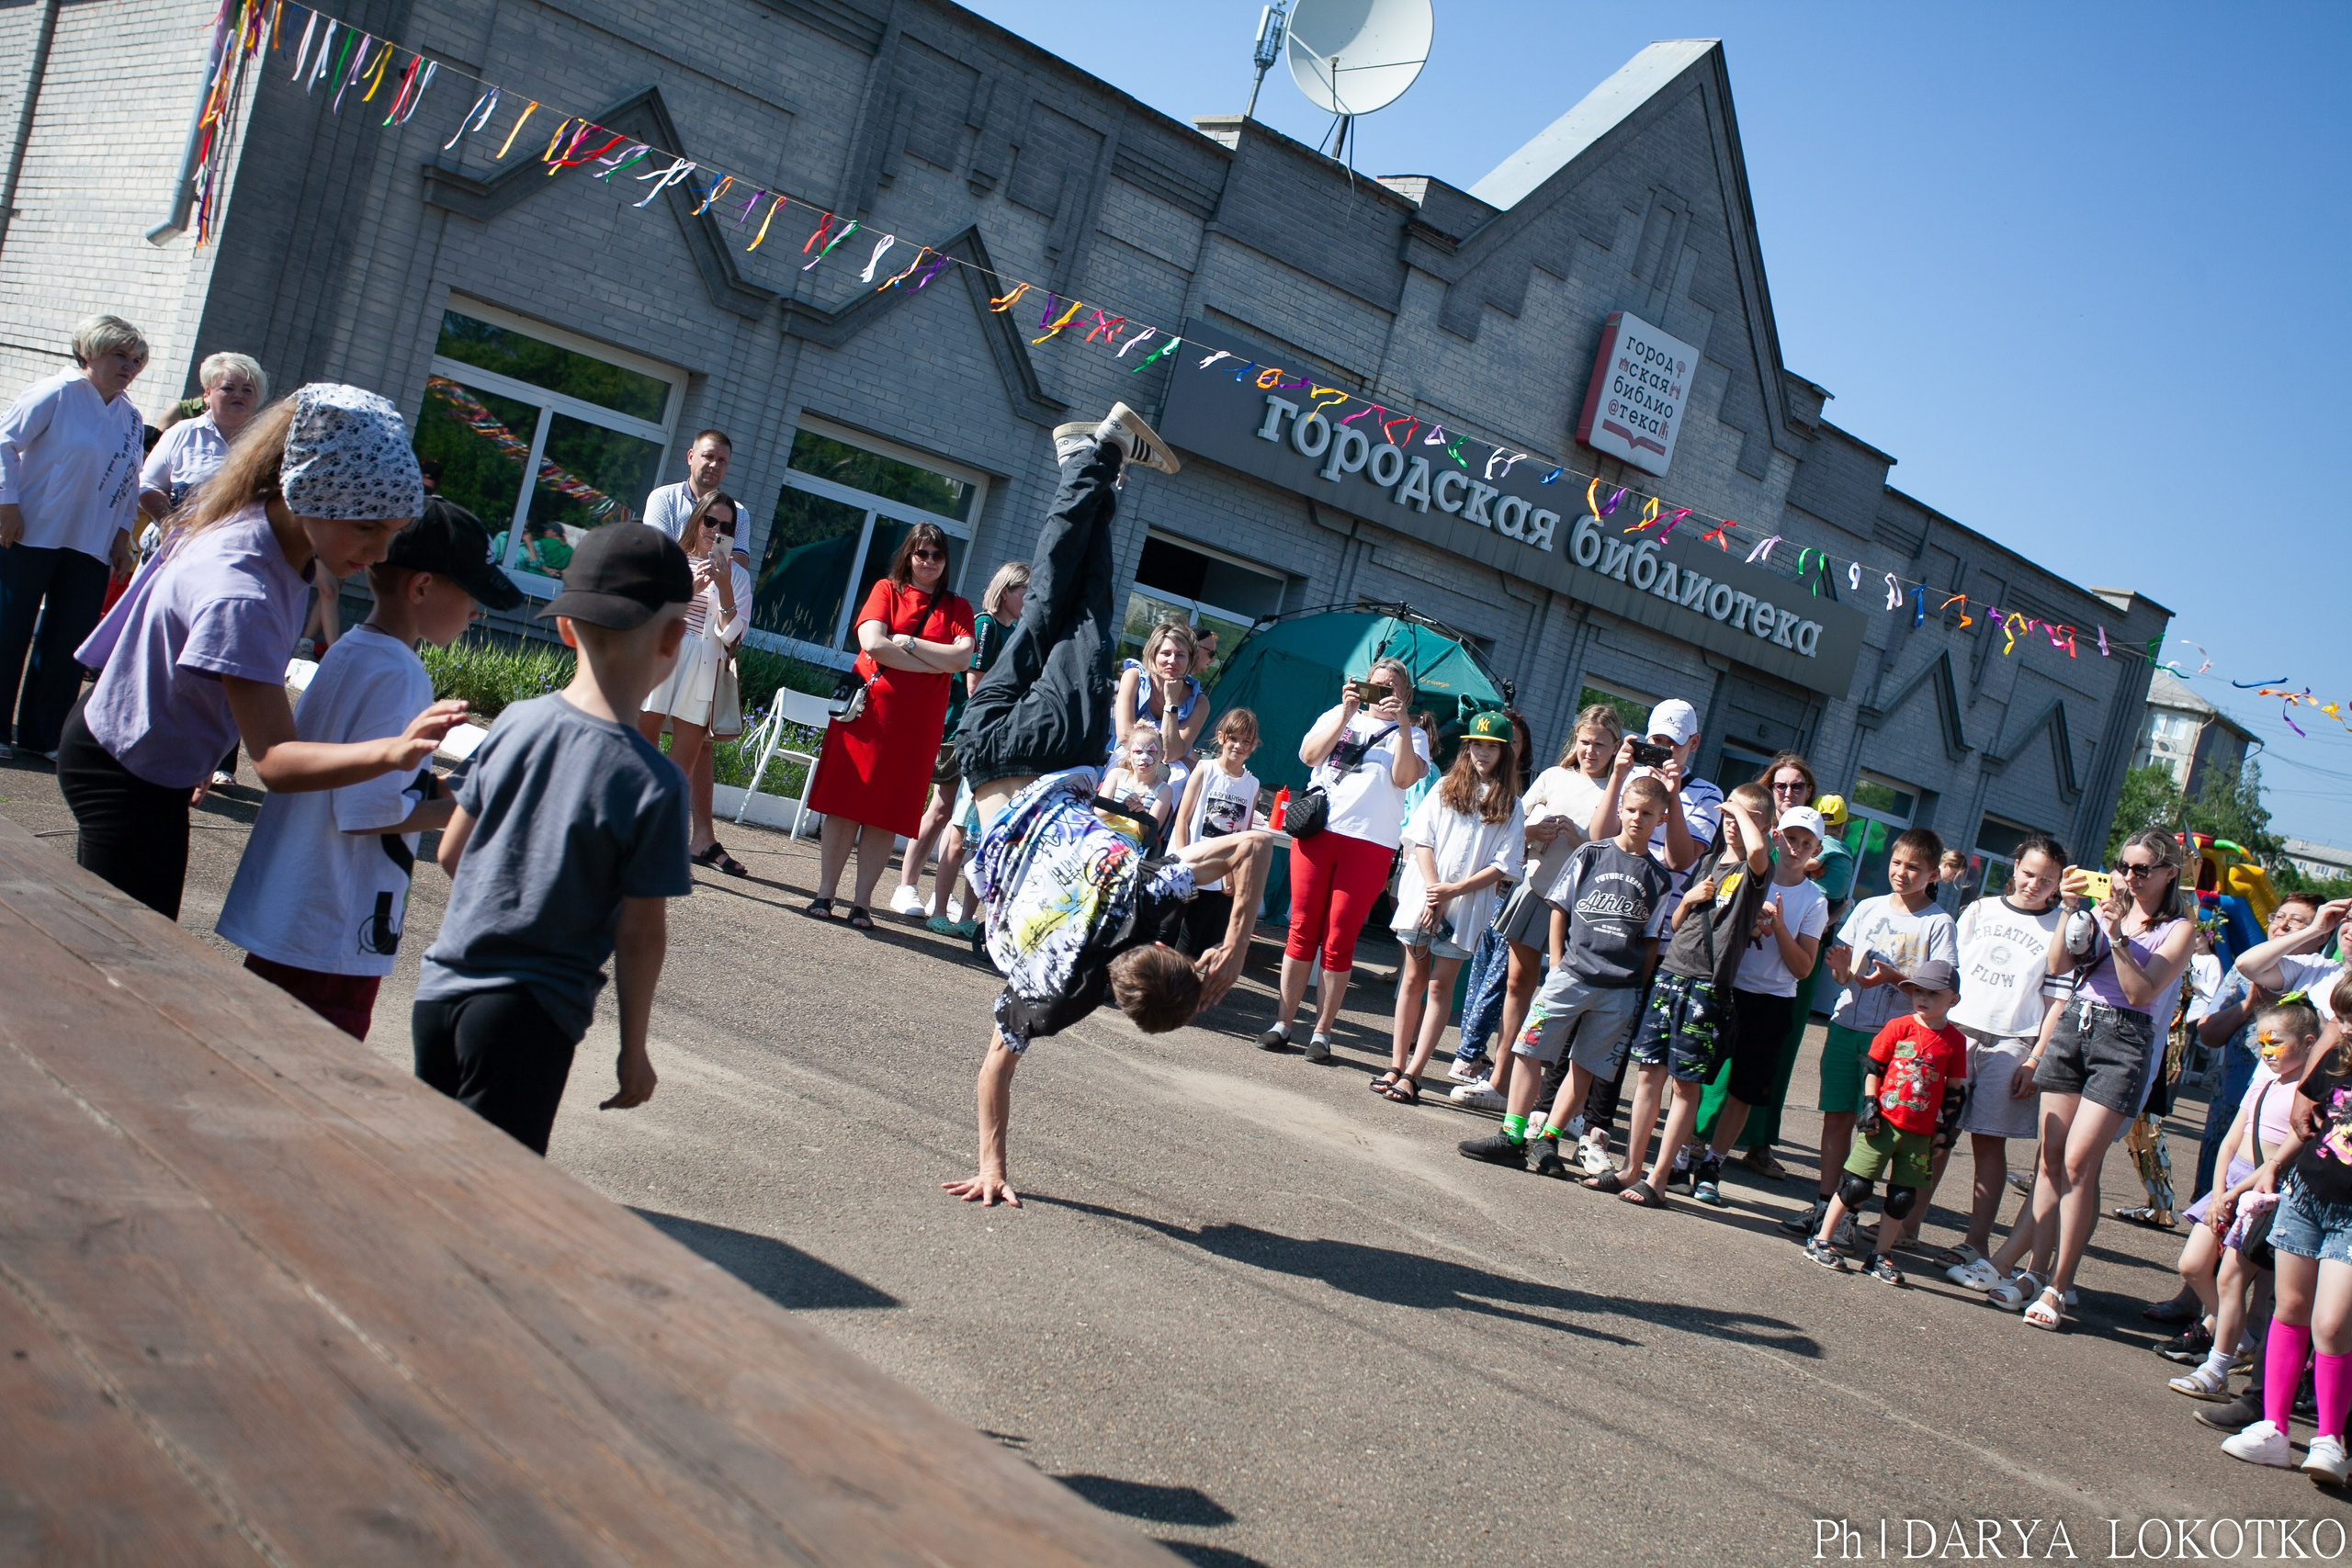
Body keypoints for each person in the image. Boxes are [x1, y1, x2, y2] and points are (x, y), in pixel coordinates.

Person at [942, 405, 1272, 1209]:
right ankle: (1090, 463)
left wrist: (1230, 948)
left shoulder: (1145, 889)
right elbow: (995, 1065)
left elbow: (1252, 847)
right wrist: (993, 1166)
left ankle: (1094, 463)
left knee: (1080, 612)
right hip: (983, 753)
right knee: (1054, 607)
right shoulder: (1056, 989)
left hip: (1051, 754)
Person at [59, 385, 464, 920]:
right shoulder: (243, 590)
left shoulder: (267, 529)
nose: (380, 553)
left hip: (142, 750)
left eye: (392, 532)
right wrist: (396, 751)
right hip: (126, 767)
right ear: (311, 494)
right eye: (367, 527)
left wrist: (201, 747)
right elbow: (275, 762)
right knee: (124, 949)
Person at [414, 524, 695, 1156]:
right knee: (490, 1199)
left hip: (440, 991)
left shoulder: (515, 722)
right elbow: (640, 933)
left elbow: (452, 852)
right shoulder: (654, 782)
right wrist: (633, 1048)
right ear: (675, 637)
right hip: (528, 1017)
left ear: (566, 627)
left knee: (424, 1182)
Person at [216, 501, 522, 1040]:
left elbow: (365, 782)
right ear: (422, 587)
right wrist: (467, 805)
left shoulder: (350, 651)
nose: (478, 613)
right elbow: (370, 812)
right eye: (471, 596)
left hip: (293, 914)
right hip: (332, 934)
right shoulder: (401, 676)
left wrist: (444, 787)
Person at [2018, 829, 2197, 1329]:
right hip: (2077, 1023)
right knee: (2050, 1156)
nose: (2129, 877)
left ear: (2169, 873)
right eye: (2123, 865)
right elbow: (2059, 964)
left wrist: (2117, 935)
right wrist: (2071, 911)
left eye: (2143, 869)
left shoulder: (2179, 929)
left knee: (2079, 1162)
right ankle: (2037, 1272)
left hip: (2125, 1039)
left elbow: (2141, 992)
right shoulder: (2104, 906)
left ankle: (2059, 1284)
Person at [1455, 773, 1672, 1175]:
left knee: (1585, 1064)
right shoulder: (1591, 854)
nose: (1637, 819)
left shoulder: (1659, 878)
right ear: (1620, 808)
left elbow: (1651, 940)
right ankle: (1513, 1133)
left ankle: (1548, 1139)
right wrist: (1556, 962)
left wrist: (1636, 989)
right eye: (1631, 810)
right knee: (1529, 1048)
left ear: (1661, 819)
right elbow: (1560, 906)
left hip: (1618, 990)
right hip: (1571, 973)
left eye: (1648, 813)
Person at [1589, 782, 1775, 1207]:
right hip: (1673, 973)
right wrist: (1688, 897)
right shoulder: (1710, 861)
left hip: (1708, 985)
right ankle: (1632, 1169)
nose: (1731, 825)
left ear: (1763, 825)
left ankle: (1658, 1178)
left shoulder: (1754, 871)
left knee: (1685, 1085)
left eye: (1742, 819)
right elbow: (1680, 920)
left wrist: (1738, 809)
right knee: (1648, 1074)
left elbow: (1759, 854)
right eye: (1727, 817)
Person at [1781, 827, 1958, 1246]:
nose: (1902, 873)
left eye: (1914, 867)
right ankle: (1827, 1205)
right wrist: (1841, 969)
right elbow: (1844, 971)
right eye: (1897, 863)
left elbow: (1942, 987)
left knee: (1876, 1127)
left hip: (1901, 1041)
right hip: (1848, 1025)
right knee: (1837, 1115)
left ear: (1933, 874)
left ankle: (1850, 1213)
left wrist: (1899, 980)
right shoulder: (1869, 909)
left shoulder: (1938, 923)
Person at [1257, 656, 1430, 1063]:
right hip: (1319, 835)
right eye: (1376, 684)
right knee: (1301, 929)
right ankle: (1283, 1022)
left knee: (1339, 939)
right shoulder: (1339, 713)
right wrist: (1347, 712)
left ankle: (1322, 1031)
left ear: (1404, 694)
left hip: (1370, 844)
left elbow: (1404, 778)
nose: (1382, 693)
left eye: (1391, 688)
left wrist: (1403, 723)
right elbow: (1308, 755)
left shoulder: (1413, 734)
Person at [1692, 754, 1857, 1180]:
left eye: (1806, 843)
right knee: (1697, 1074)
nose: (1795, 848)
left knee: (1749, 1083)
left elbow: (1803, 967)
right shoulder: (1746, 871)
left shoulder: (1815, 899)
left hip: (1772, 999)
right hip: (1726, 988)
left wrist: (1779, 927)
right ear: (1773, 834)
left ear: (1817, 849)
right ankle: (1685, 1149)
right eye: (1789, 839)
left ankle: (1717, 1160)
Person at [1575, 698, 1724, 1171]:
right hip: (1610, 919)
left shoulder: (1704, 794)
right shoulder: (1633, 782)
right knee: (1583, 1021)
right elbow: (1596, 838)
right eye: (1654, 744)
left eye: (1671, 747)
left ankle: (1597, 1127)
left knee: (1626, 1034)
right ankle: (1555, 1115)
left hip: (1663, 933)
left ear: (1692, 745)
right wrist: (1618, 776)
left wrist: (1674, 795)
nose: (1661, 754)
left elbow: (1682, 859)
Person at [806, 521, 976, 929]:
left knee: (886, 814)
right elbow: (872, 643)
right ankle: (825, 894)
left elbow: (964, 659)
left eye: (937, 555)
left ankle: (862, 903)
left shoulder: (959, 607)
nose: (929, 561)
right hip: (867, 718)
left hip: (916, 730)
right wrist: (935, 662)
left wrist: (911, 643)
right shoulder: (887, 590)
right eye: (922, 553)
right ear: (908, 555)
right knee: (843, 806)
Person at [2221, 974, 2352, 1480]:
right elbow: (2308, 1119)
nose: (2342, 1029)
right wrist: (2272, 1168)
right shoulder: (2335, 1056)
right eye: (2341, 1019)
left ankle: (2330, 1439)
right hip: (2307, 1196)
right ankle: (2274, 1427)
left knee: (2332, 1324)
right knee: (2290, 1309)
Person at [0, 314, 147, 761]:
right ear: (88, 352)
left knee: (68, 641)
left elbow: (130, 482)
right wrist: (7, 504)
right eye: (119, 356)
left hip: (90, 544)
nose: (129, 366)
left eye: (136, 359)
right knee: (9, 630)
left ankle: (44, 736)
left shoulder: (131, 417)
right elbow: (5, 443)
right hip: (31, 532)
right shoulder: (56, 393)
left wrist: (122, 536)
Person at [1936, 835, 2073, 1287]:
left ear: (2058, 885)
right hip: (1959, 1030)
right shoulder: (1979, 910)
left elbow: (2057, 1003)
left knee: (1988, 1143)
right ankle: (1908, 1225)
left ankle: (1976, 1241)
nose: (2035, 884)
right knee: (1936, 1134)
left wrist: (2036, 1058)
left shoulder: (2062, 928)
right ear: (2015, 867)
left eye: (2046, 879)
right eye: (2029, 872)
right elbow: (1950, 969)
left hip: (2014, 1041)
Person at [1373, 710, 1522, 1106]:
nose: (1482, 754)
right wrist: (1434, 890)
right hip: (1424, 896)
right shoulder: (1443, 788)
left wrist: (1452, 891)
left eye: (1491, 747)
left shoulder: (1511, 805)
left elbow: (1504, 866)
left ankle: (1414, 1074)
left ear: (1504, 753)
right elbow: (1421, 840)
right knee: (1411, 979)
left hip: (1466, 905)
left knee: (1440, 986)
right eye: (1476, 744)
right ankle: (1395, 1064)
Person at [2168, 997, 2312, 1400]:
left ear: (2307, 1043)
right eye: (2262, 1043)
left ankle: (2219, 1363)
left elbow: (2286, 1153)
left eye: (2276, 1043)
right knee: (2194, 1265)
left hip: (2261, 1192)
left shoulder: (2305, 1089)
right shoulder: (2262, 1082)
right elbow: (2231, 1139)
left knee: (2233, 1278)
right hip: (2230, 1185)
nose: (2267, 1052)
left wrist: (2233, 1195)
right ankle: (2240, 1335)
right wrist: (2217, 1194)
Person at [1804, 959, 1968, 1286]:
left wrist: (1947, 1130)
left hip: (1919, 1133)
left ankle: (1880, 1254)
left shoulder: (1955, 1041)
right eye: (1918, 991)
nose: (1923, 998)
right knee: (1856, 1185)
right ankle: (1822, 1239)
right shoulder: (1898, 1027)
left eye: (1933, 994)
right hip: (1885, 1122)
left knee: (1902, 1197)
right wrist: (1869, 1106)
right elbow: (1873, 1068)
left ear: (1953, 1000)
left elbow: (1953, 1090)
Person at [637, 491, 751, 875]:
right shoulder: (670, 562)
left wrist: (724, 588)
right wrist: (690, 590)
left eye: (726, 527)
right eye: (710, 522)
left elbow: (733, 637)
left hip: (703, 670)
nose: (717, 531)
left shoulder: (737, 575)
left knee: (678, 767)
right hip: (661, 660)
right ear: (697, 521)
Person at [2188, 894, 2322, 1213]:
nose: (2283, 925)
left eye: (2297, 920)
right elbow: (2208, 1033)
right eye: (2278, 916)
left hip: (2283, 1107)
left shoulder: (2318, 978)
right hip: (2234, 1095)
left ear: (2319, 933)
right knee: (2216, 1177)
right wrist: (2248, 1005)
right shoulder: (2243, 969)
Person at [924, 561, 1029, 937]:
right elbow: (975, 686)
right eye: (1023, 593)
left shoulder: (1015, 631)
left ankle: (966, 914)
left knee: (975, 831)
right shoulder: (985, 626)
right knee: (946, 816)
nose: (1028, 601)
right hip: (970, 736)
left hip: (996, 743)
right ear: (1005, 592)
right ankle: (920, 894)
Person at [1449, 705, 1548, 1100]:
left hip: (1518, 890)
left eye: (1508, 741)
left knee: (1501, 980)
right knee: (1481, 976)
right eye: (1480, 743)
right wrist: (1531, 831)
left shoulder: (1524, 784)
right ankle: (1469, 1052)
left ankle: (1470, 1052)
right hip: (1492, 891)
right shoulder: (1533, 786)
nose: (1488, 751)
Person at [1170, 705, 1262, 958]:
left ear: (1253, 746)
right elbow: (1183, 818)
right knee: (1168, 930)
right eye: (1233, 739)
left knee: (1197, 938)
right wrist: (1184, 861)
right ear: (1221, 737)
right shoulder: (1205, 769)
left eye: (1246, 741)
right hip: (1186, 866)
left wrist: (1232, 874)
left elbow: (1244, 836)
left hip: (1218, 874)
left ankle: (1186, 989)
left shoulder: (1252, 785)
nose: (1238, 746)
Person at [139, 352, 267, 521]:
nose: (238, 395)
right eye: (228, 388)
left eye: (247, 390)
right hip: (179, 541)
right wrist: (170, 524)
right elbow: (146, 484)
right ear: (207, 394)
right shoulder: (184, 432)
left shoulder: (268, 441)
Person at [1114, 619, 1207, 800]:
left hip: (1167, 777)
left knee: (1173, 780)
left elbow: (1171, 754)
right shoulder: (1133, 678)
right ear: (1153, 655)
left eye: (1180, 655)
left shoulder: (1200, 703)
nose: (1172, 661)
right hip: (1125, 762)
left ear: (1189, 660)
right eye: (1165, 653)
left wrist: (1171, 702)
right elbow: (1125, 736)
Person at [1097, 728, 1173, 843]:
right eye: (1138, 752)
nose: (1144, 758)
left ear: (1161, 755)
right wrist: (1122, 807)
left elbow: (1148, 834)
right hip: (1099, 831)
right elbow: (1098, 814)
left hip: (1127, 840)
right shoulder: (1116, 775)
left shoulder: (1164, 791)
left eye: (1151, 752)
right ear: (1129, 755)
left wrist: (1140, 813)